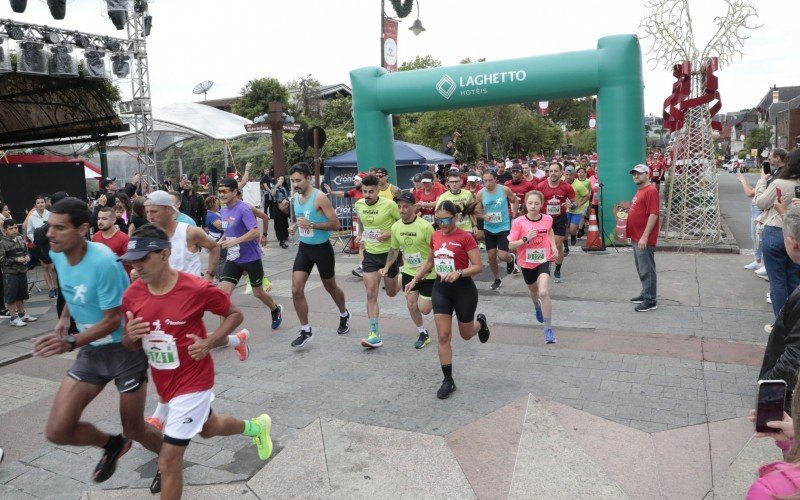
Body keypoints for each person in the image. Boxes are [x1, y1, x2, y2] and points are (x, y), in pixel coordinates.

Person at [120, 224, 273, 500]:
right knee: (209, 429)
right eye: (132, 261)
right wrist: (129, 337)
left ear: (165, 254)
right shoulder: (132, 295)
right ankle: (256, 427)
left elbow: (234, 315)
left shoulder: (195, 288)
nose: (137, 267)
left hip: (194, 381)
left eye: (143, 258)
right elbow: (129, 343)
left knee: (168, 461)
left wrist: (211, 340)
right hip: (165, 384)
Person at [32, 197, 162, 485]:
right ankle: (111, 444)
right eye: (49, 226)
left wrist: (70, 343)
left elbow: (112, 321)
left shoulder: (103, 262)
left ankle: (169, 460)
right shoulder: (57, 253)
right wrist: (65, 316)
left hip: (125, 350)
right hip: (92, 350)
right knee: (57, 430)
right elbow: (72, 286)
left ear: (81, 229)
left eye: (59, 228)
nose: (50, 234)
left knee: (135, 427)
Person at [407, 200, 490, 399]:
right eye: (439, 219)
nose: (442, 223)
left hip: (463, 290)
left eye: (446, 219)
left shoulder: (465, 237)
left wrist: (460, 272)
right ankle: (448, 380)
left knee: (466, 334)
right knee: (443, 336)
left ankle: (481, 323)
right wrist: (415, 280)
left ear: (455, 217)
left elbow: (478, 266)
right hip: (441, 289)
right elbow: (430, 261)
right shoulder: (435, 236)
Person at [286, 163, 351, 348]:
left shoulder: (320, 197)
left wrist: (312, 225)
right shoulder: (296, 199)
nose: (295, 184)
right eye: (293, 181)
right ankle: (305, 330)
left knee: (330, 286)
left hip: (322, 249)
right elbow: (301, 221)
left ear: (308, 178)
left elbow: (336, 224)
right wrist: (295, 227)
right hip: (305, 249)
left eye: (298, 180)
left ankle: (344, 313)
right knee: (296, 289)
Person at [217, 178, 284, 330]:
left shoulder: (244, 208)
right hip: (233, 258)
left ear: (234, 192)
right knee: (223, 295)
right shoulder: (223, 210)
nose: (221, 195)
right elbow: (228, 231)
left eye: (224, 191)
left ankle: (275, 309)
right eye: (219, 192)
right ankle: (222, 333)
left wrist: (235, 242)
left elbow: (254, 232)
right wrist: (220, 242)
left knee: (258, 293)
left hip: (251, 258)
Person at [382, 192, 436, 349]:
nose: (402, 210)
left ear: (413, 207)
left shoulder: (425, 227)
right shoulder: (396, 226)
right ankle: (422, 333)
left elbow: (434, 252)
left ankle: (439, 296)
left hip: (428, 272)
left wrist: (427, 268)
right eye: (399, 206)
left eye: (405, 206)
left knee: (424, 309)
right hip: (408, 271)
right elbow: (394, 250)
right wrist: (386, 267)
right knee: (411, 304)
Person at [353, 174, 401, 348]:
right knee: (371, 293)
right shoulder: (359, 204)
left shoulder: (390, 205)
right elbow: (360, 220)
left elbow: (402, 222)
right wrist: (360, 234)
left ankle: (401, 279)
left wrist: (389, 234)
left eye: (371, 191)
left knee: (391, 292)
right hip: (371, 254)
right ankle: (374, 333)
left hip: (389, 254)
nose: (367, 195)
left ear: (378, 190)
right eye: (364, 191)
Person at [755, 149, 800, 326]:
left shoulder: (780, 183)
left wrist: (761, 181)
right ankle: (794, 323)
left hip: (776, 230)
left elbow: (761, 202)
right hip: (796, 233)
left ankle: (781, 324)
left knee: (777, 282)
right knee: (794, 279)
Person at [508, 191, 559, 344]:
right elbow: (510, 245)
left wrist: (553, 246)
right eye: (530, 203)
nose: (533, 206)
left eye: (536, 203)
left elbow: (549, 231)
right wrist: (525, 238)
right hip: (526, 262)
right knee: (533, 292)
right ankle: (537, 306)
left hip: (544, 259)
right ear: (526, 203)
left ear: (541, 205)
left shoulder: (548, 218)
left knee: (543, 292)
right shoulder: (519, 222)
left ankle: (548, 329)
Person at [476, 170, 520, 290]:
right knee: (491, 255)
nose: (488, 183)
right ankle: (497, 278)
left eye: (490, 180)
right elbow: (476, 211)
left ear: (496, 179)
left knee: (502, 256)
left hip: (503, 226)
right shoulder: (480, 194)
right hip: (489, 227)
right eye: (485, 180)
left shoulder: (504, 190)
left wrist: (514, 215)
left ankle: (511, 259)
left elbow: (515, 200)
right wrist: (484, 216)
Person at [626, 164, 660, 312]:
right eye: (634, 174)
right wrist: (630, 234)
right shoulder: (641, 190)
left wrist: (644, 237)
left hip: (643, 239)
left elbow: (653, 214)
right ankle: (645, 293)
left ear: (647, 174)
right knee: (641, 268)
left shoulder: (651, 191)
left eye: (639, 173)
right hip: (636, 237)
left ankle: (651, 300)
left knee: (647, 269)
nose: (636, 176)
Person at [535, 162, 575, 283]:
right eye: (551, 171)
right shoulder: (541, 186)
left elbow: (575, 202)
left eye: (555, 171)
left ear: (561, 173)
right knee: (543, 244)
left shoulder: (566, 187)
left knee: (558, 245)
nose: (553, 173)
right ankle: (544, 267)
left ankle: (557, 269)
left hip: (559, 218)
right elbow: (535, 200)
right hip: (544, 219)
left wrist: (571, 205)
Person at [0, 219, 35, 326]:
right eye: (11, 229)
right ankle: (13, 318)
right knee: (11, 296)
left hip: (22, 271)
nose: (14, 230)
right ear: (5, 230)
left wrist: (27, 256)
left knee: (21, 294)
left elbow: (25, 251)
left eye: (15, 228)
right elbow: (1, 260)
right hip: (10, 274)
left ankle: (21, 314)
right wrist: (15, 260)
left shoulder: (20, 239)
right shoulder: (2, 243)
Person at [25, 194, 58, 298]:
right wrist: (35, 239)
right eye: (38, 203)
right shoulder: (31, 217)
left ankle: (56, 287)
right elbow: (29, 231)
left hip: (50, 242)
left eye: (42, 202)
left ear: (45, 203)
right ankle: (50, 288)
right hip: (40, 244)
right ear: (35, 205)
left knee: (52, 266)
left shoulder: (50, 214)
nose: (41, 204)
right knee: (45, 267)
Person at [436, 171, 477, 237]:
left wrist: (475, 225)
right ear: (448, 183)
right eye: (452, 182)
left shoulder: (468, 194)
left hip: (467, 229)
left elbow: (472, 211)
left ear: (461, 181)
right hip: (451, 230)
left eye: (456, 181)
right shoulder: (443, 197)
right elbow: (437, 214)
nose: (454, 184)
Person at [566, 165, 591, 246]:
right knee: (565, 229)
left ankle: (573, 236)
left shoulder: (579, 185)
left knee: (572, 229)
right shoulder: (561, 182)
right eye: (567, 174)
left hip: (577, 210)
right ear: (564, 174)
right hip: (565, 210)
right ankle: (566, 246)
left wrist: (579, 204)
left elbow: (587, 196)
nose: (568, 177)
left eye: (571, 175)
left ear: (574, 175)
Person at [270, 175, 291, 249]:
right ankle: (281, 241)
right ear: (277, 179)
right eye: (280, 179)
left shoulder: (284, 188)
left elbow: (287, 196)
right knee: (279, 224)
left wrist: (287, 201)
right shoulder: (274, 187)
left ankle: (285, 236)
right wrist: (276, 186)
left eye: (283, 179)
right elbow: (272, 194)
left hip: (284, 206)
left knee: (285, 222)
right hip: (277, 206)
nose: (281, 180)